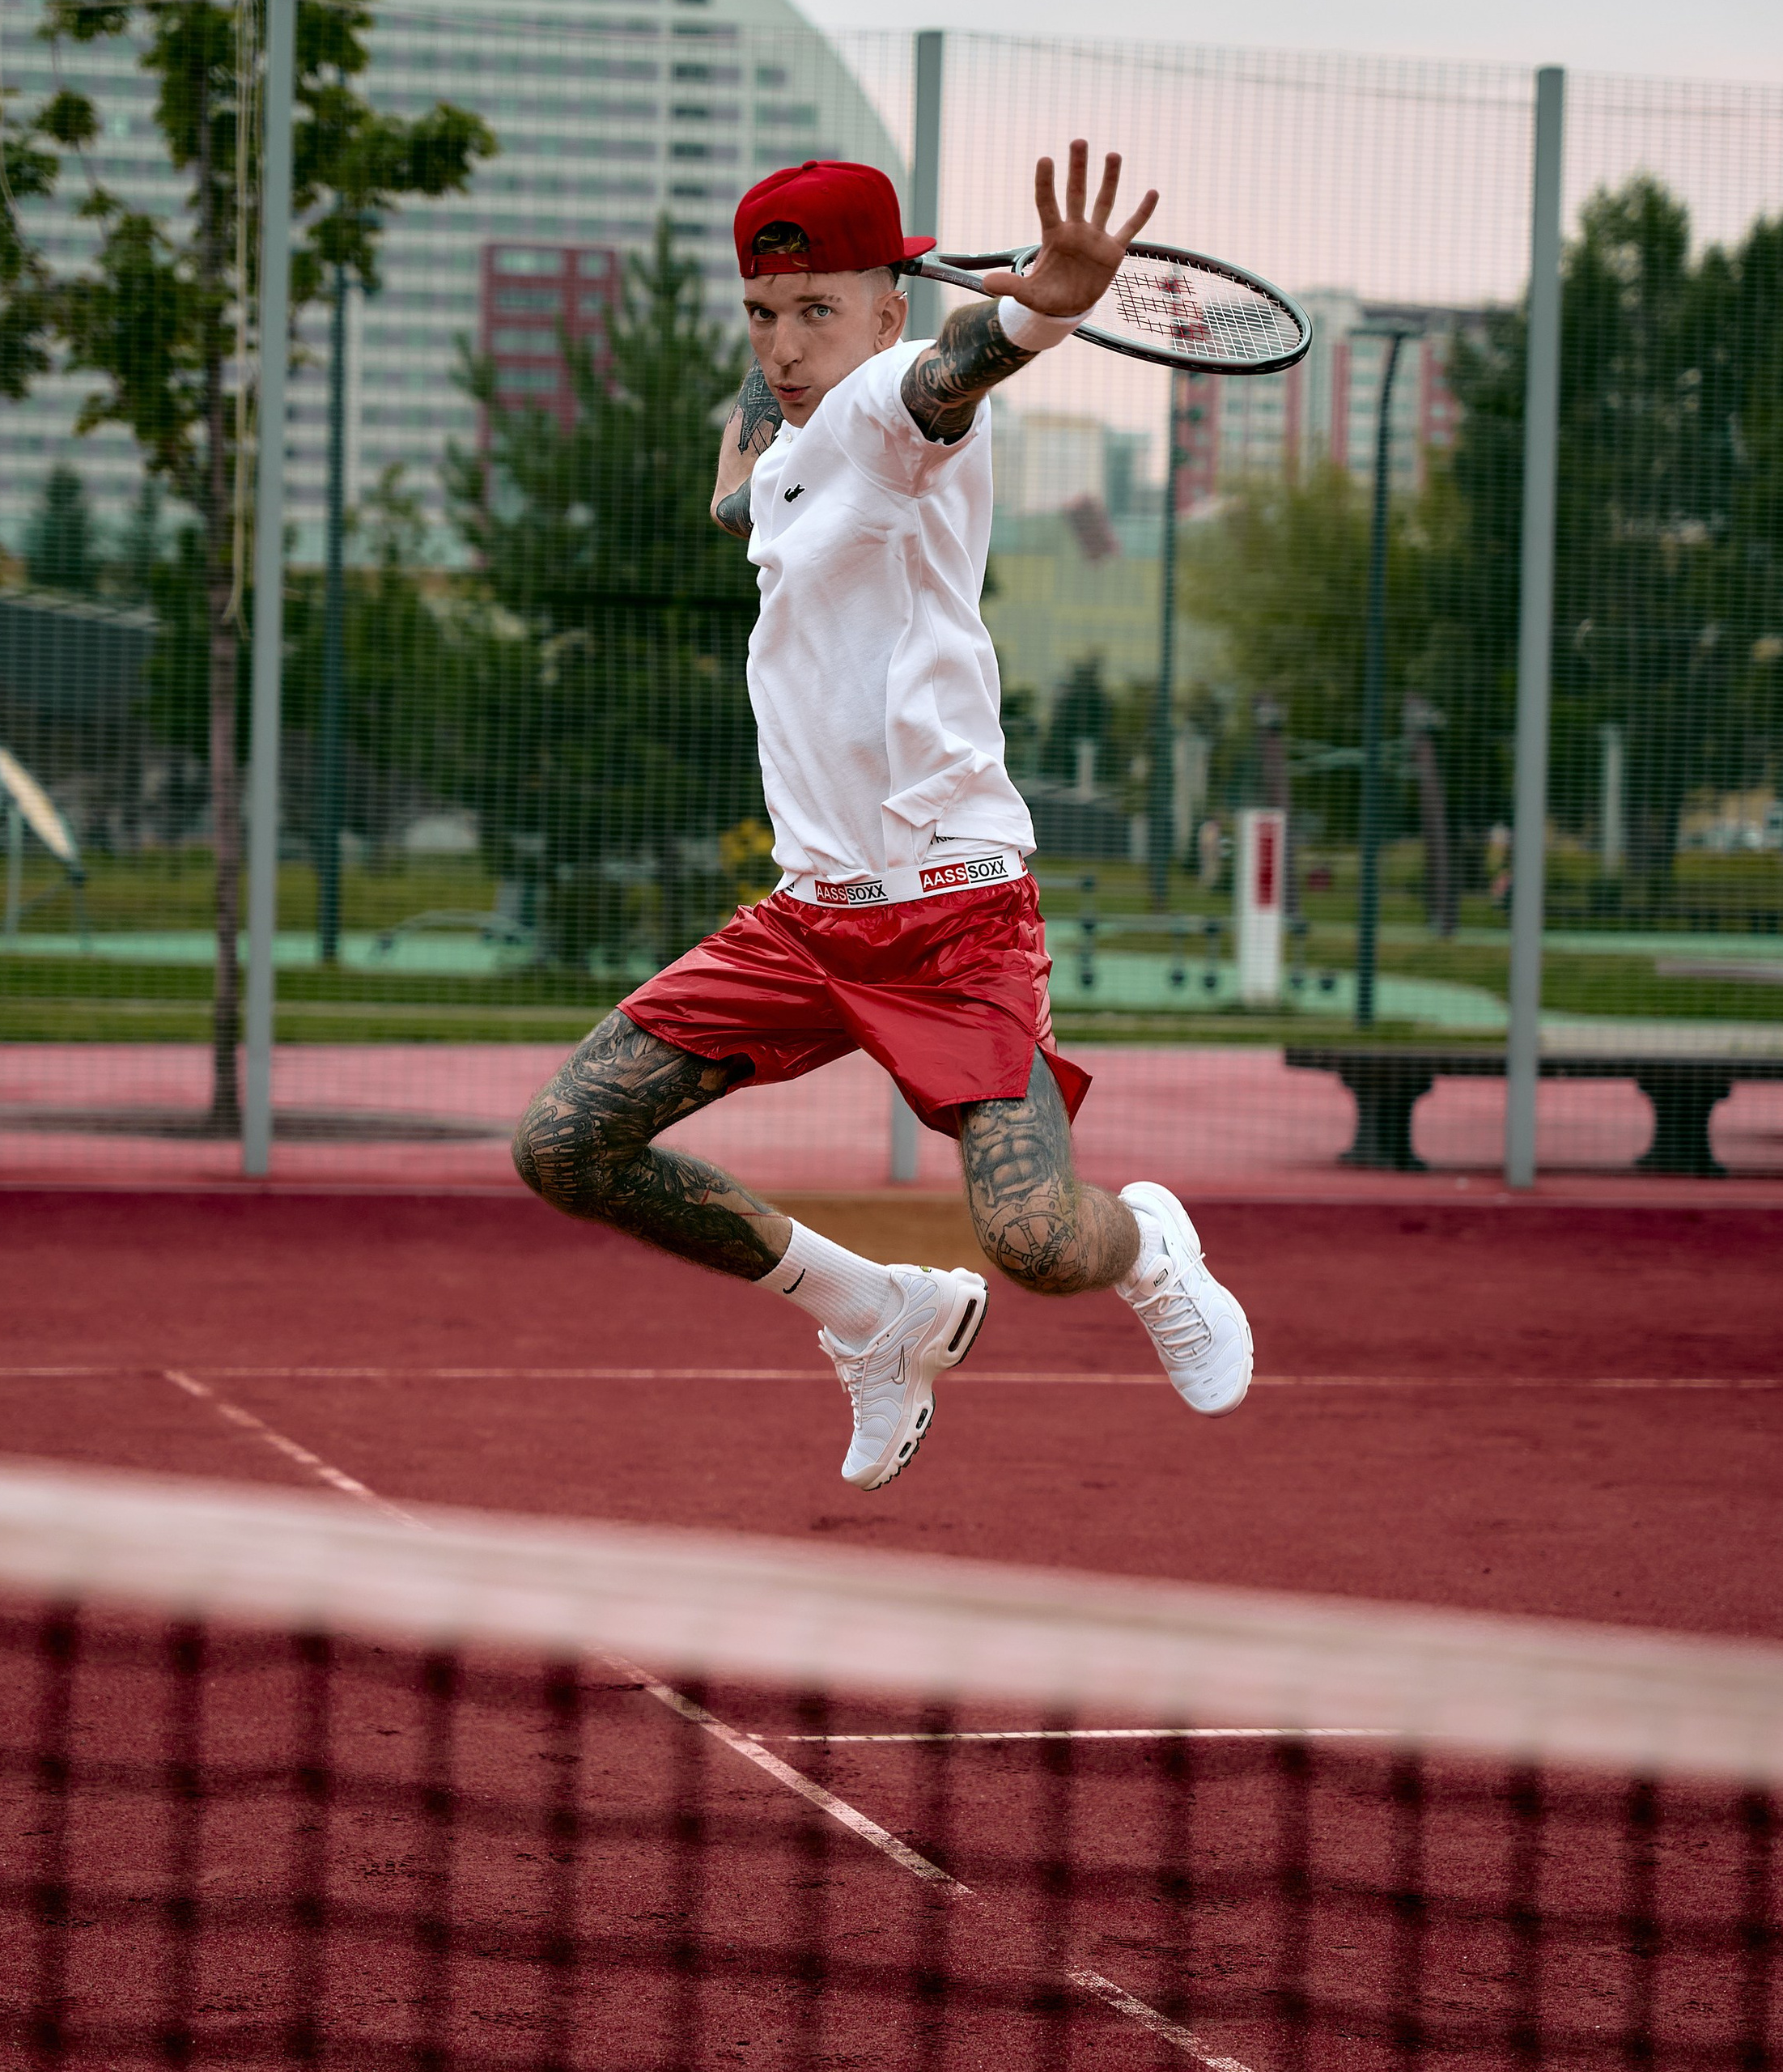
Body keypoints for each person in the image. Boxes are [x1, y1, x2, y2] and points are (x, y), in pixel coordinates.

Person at [512, 144, 1252, 1489]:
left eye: (815, 313)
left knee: (1034, 1243)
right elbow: (737, 491)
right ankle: (872, 1311)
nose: (786, 346)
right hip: (808, 923)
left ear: (886, 310)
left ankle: (1147, 1249)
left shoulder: (884, 414)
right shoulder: (793, 457)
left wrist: (1044, 311)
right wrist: (788, 290)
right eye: (760, 313)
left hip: (956, 913)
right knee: (566, 1144)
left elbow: (951, 370)